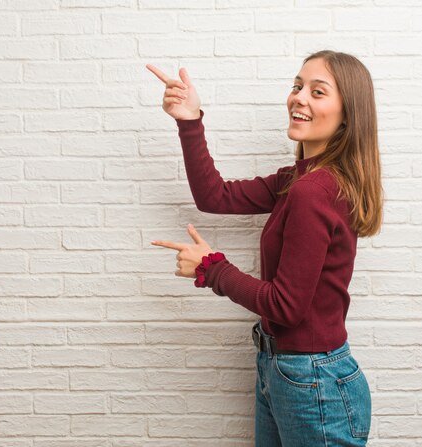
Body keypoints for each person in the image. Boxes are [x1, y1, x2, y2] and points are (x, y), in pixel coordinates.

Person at [146, 49, 383, 447]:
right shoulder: (299, 179)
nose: (299, 97)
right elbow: (215, 197)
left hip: (311, 381)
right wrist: (189, 121)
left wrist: (212, 268)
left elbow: (287, 307)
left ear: (347, 116)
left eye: (318, 91)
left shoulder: (313, 190)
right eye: (297, 86)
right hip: (288, 370)